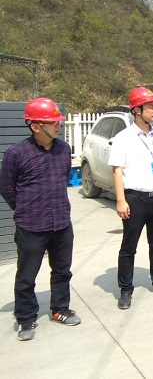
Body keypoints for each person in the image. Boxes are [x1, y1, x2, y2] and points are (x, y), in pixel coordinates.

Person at [0, 98, 81, 341]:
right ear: (35, 126)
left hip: (61, 223)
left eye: (58, 121)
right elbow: (6, 187)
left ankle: (60, 309)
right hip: (31, 226)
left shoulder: (63, 149)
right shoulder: (16, 153)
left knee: (62, 270)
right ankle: (25, 318)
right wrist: (24, 208)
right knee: (27, 276)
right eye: (52, 122)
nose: (58, 125)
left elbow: (63, 178)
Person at [108, 87, 153, 310]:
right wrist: (121, 200)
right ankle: (125, 289)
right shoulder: (123, 138)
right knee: (129, 247)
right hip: (135, 199)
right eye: (150, 107)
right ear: (137, 110)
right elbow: (117, 171)